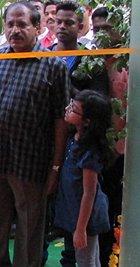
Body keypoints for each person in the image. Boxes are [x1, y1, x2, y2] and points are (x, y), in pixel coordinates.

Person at [0, 1, 70, 267]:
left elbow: (61, 120)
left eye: (22, 24)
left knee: (29, 233)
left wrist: (56, 168)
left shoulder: (54, 66)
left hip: (32, 165)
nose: (14, 30)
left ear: (37, 27)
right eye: (10, 24)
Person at [54, 90, 112, 267]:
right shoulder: (75, 140)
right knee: (89, 258)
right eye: (71, 104)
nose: (67, 108)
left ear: (87, 121)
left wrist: (81, 229)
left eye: (74, 109)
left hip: (87, 218)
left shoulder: (89, 152)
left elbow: (89, 193)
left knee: (86, 260)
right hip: (75, 214)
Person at [92, 6, 128, 267]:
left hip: (121, 153)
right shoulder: (88, 64)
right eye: (97, 29)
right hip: (91, 152)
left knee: (115, 212)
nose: (102, 34)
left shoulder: (128, 64)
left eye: (108, 28)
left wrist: (116, 147)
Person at [52, 0, 109, 96]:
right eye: (59, 22)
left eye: (69, 23)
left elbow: (100, 101)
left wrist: (67, 86)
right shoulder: (42, 55)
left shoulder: (92, 61)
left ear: (80, 27)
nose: (62, 26)